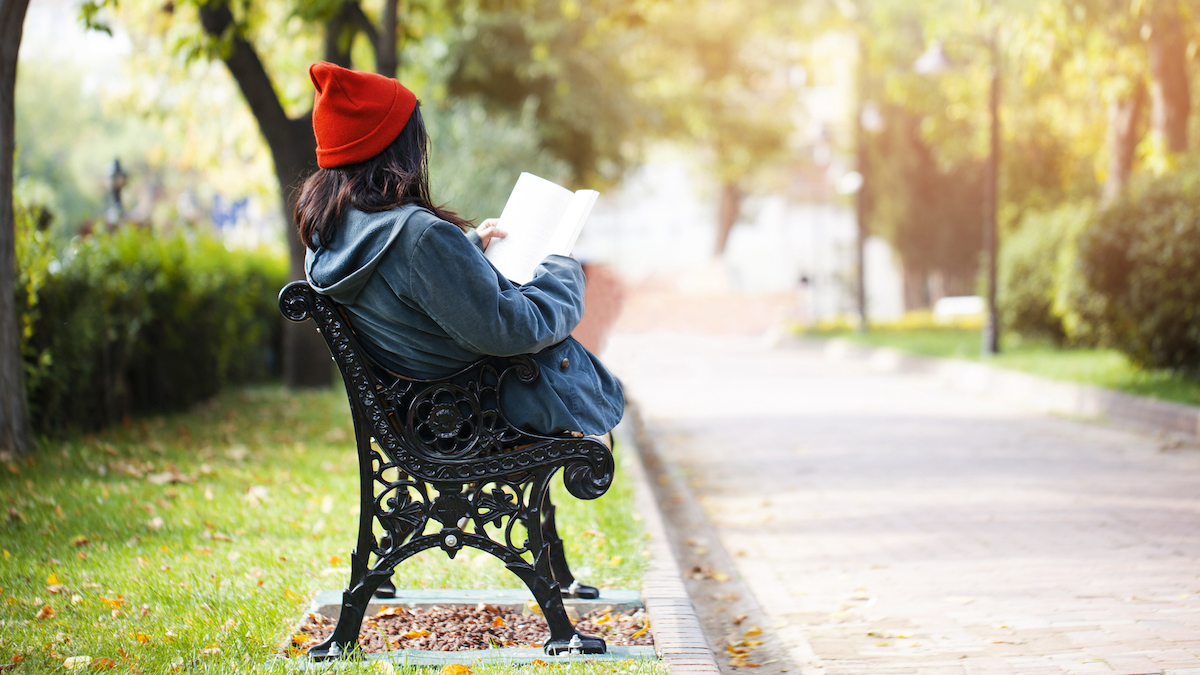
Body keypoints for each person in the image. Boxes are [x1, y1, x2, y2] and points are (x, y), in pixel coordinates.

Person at [297, 62, 624, 438]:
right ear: (396, 146)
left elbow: (398, 288)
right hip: (480, 415)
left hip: (426, 414)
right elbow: (513, 329)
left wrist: (463, 252)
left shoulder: (329, 232)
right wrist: (563, 270)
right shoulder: (417, 236)